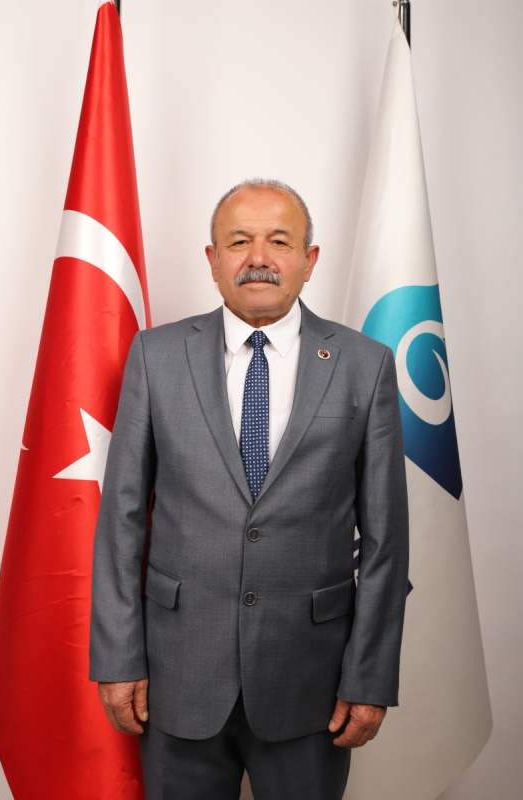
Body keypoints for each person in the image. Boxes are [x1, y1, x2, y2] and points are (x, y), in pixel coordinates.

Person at [89, 179, 409, 800]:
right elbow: (121, 520)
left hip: (311, 681)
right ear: (212, 260)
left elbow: (386, 540)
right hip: (176, 676)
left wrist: (370, 675)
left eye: (279, 241)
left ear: (309, 260)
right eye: (238, 242)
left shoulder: (364, 365)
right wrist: (118, 657)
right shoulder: (156, 356)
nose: (258, 258)